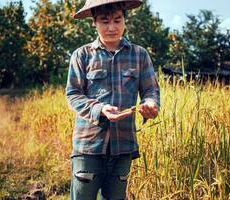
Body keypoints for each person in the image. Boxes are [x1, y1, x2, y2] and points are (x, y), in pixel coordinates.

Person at [66, 0, 160, 199]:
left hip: (123, 146)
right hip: (88, 146)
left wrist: (151, 104)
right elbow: (73, 94)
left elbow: (151, 89)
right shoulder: (81, 55)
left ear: (125, 20)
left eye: (117, 20)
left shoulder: (139, 55)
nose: (111, 27)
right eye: (104, 21)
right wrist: (100, 109)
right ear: (94, 22)